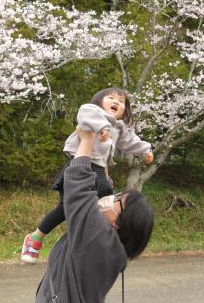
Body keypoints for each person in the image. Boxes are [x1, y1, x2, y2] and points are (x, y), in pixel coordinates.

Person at [23, 88, 154, 263]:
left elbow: (130, 141)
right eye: (111, 98)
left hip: (100, 171)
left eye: (121, 101)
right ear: (99, 101)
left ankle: (93, 244)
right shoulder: (92, 111)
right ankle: (35, 237)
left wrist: (145, 149)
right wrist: (101, 128)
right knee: (66, 208)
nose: (116, 102)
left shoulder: (119, 127)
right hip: (80, 164)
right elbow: (85, 119)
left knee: (102, 208)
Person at [34, 124, 154, 303]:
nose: (112, 198)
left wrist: (87, 139)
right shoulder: (109, 245)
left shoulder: (97, 237)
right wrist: (102, 152)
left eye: (118, 201)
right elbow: (102, 185)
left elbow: (78, 187)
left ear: (120, 223)